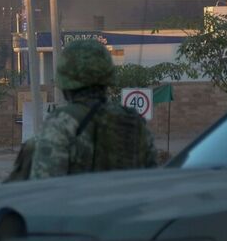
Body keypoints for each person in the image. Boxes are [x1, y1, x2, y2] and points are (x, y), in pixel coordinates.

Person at [28, 40, 157, 179]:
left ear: (65, 85)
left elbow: (43, 185)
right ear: (107, 80)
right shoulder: (133, 121)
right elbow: (151, 180)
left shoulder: (62, 122)